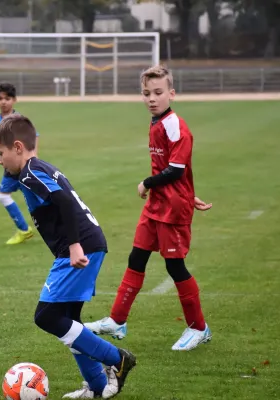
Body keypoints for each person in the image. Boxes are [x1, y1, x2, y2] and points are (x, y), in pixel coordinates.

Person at [0, 114, 136, 399]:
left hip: (80, 247)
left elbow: (66, 203)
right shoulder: (39, 167)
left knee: (47, 316)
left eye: (0, 153)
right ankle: (95, 386)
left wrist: (74, 246)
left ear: (17, 147)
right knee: (69, 319)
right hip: (87, 243)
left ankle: (116, 359)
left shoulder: (30, 174)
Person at [85, 65, 213, 351]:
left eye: (158, 92)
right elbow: (176, 170)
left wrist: (147, 182)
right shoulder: (157, 122)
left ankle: (199, 328)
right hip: (158, 205)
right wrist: (188, 194)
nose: (152, 98)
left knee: (175, 266)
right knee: (136, 258)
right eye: (146, 93)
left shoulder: (174, 125)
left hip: (172, 210)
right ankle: (117, 320)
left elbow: (177, 170)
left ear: (172, 93)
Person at [0, 83, 35, 245]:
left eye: (7, 99)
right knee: (5, 196)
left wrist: (33, 156)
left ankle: (25, 230)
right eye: (0, 99)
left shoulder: (18, 120)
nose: (3, 102)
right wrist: (0, 156)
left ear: (14, 100)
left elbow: (33, 136)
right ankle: (24, 230)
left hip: (22, 166)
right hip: (10, 167)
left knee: (37, 198)